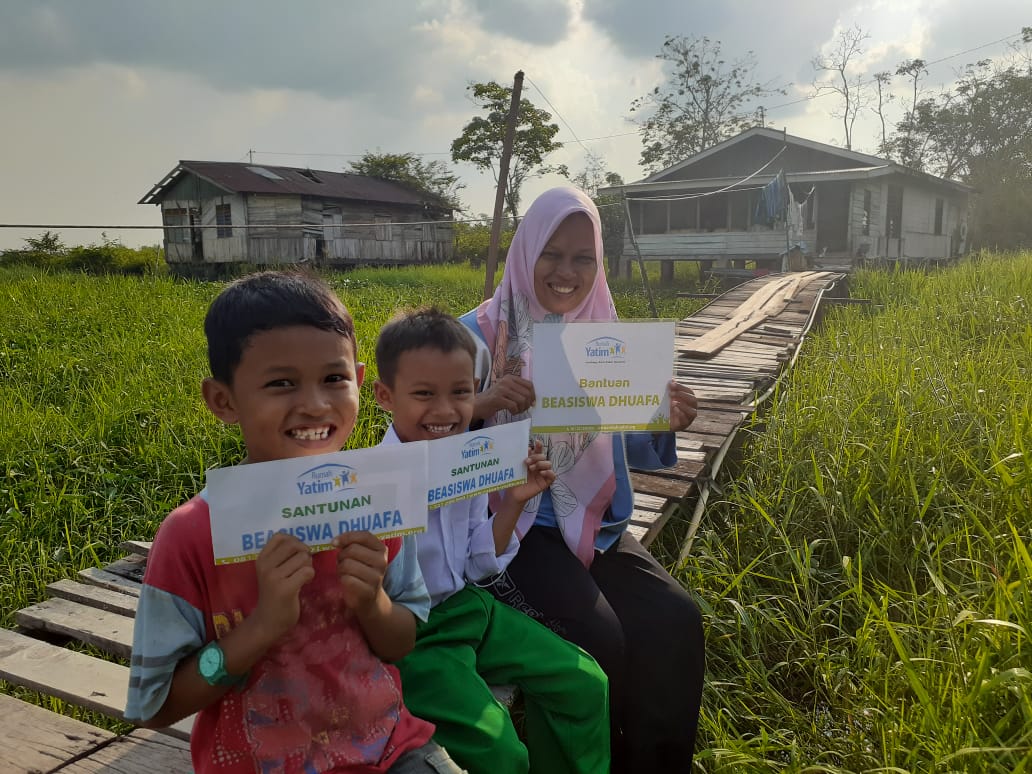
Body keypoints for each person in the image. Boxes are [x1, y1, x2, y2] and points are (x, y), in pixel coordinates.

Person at [125, 272, 463, 774]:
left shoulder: (377, 503)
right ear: (223, 400)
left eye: (333, 379)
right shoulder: (194, 535)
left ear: (360, 379)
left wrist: (372, 601)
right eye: (281, 383)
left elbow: (401, 643)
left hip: (389, 750)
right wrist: (261, 628)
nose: (315, 404)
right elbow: (155, 705)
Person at [458, 187, 706, 773]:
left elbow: (622, 440)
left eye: (582, 258)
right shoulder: (473, 337)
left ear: (599, 263)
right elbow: (425, 429)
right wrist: (480, 403)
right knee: (598, 638)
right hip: (509, 527)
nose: (567, 272)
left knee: (675, 621)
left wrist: (666, 420)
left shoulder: (604, 330)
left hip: (595, 522)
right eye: (552, 253)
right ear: (526, 250)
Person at [372, 308, 610, 774]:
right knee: (502, 755)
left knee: (585, 682)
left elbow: (478, 564)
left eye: (461, 393)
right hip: (415, 639)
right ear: (385, 395)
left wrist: (515, 502)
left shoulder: (467, 459)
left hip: (471, 608)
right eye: (424, 394)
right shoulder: (373, 484)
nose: (445, 411)